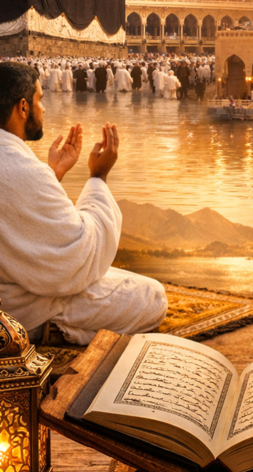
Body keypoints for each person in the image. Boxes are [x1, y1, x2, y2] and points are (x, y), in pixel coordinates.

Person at [0, 62, 167, 345]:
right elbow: (80, 256)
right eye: (40, 100)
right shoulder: (24, 170)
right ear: (23, 108)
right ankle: (51, 330)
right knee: (152, 297)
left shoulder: (21, 167)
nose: (43, 109)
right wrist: (98, 177)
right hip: (18, 310)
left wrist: (53, 175)